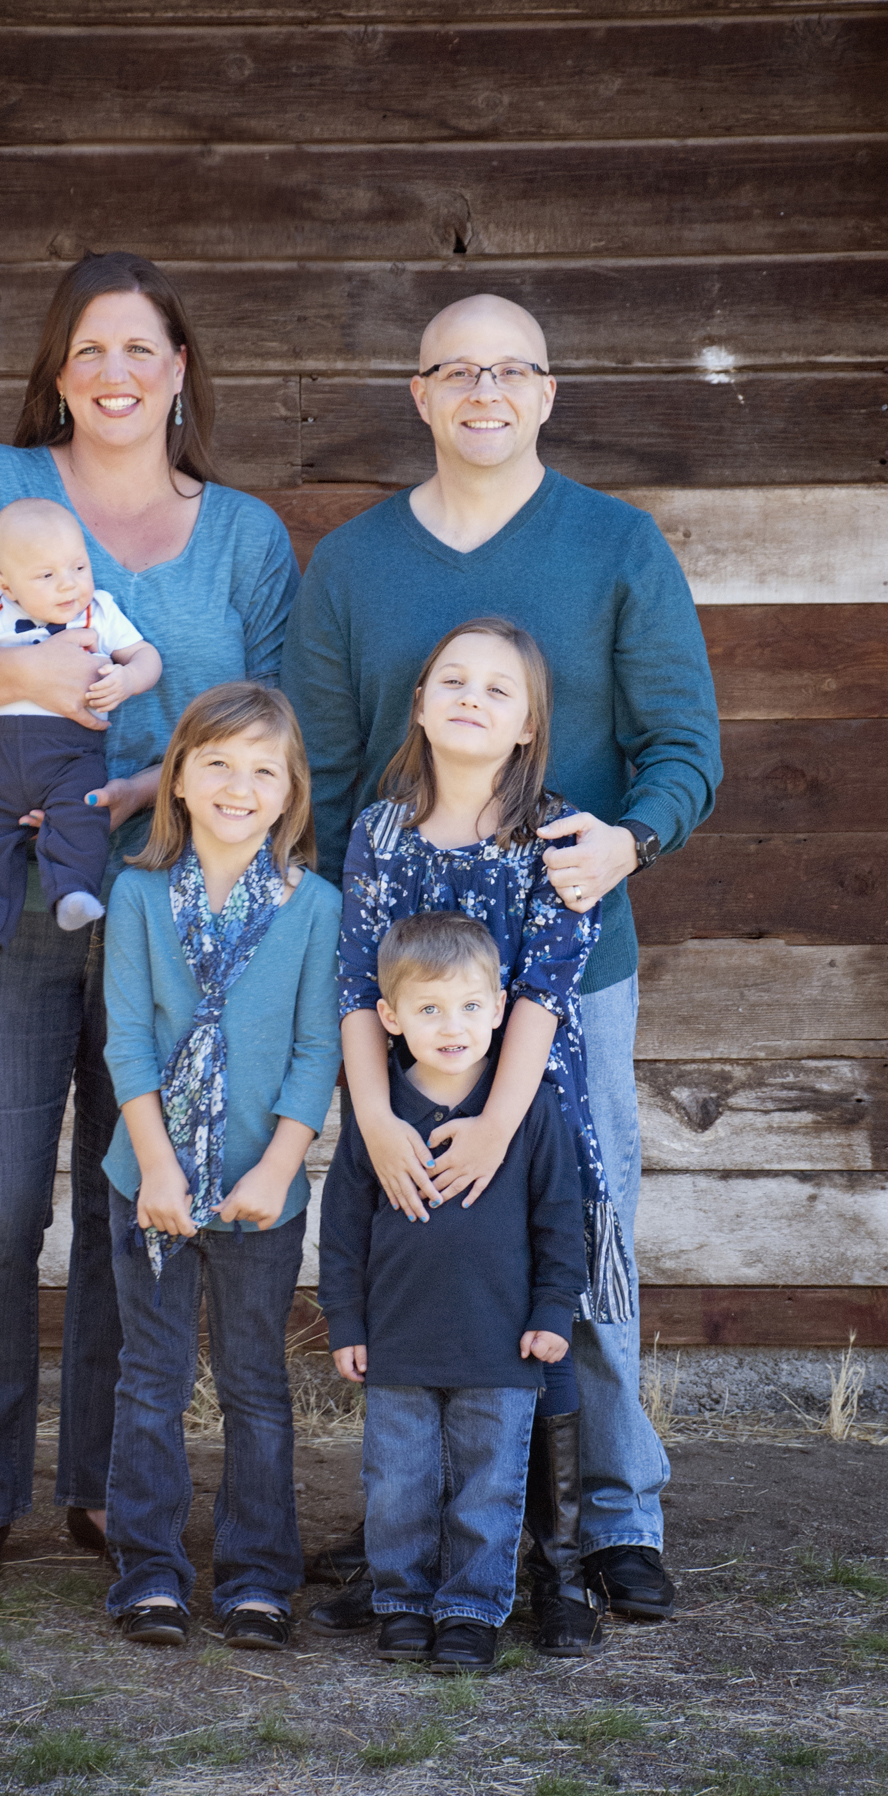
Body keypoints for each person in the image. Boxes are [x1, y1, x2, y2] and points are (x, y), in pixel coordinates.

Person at [283, 293, 722, 1623]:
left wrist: (631, 842)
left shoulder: (616, 545)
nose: (485, 390)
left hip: (564, 974)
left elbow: (683, 745)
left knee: (577, 1231)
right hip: (405, 989)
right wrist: (349, 992)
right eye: (457, 370)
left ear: (547, 391)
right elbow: (324, 775)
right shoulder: (353, 566)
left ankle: (615, 1518)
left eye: (511, 369)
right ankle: (422, 1517)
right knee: (419, 1230)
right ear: (420, 393)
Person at [0, 252, 299, 1589]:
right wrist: (37, 671)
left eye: (140, 349)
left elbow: (272, 726)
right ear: (57, 374)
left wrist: (151, 785)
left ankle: (117, 1488)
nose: (115, 373)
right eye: (89, 350)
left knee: (135, 1209)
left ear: (180, 370)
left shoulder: (245, 538)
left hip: (174, 908)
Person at [320, 618, 611, 1657]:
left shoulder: (557, 833)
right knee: (427, 1313)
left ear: (530, 722)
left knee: (533, 1310)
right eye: (453, 680)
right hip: (407, 1111)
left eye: (499, 689)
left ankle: (556, 1570)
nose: (473, 698)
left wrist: (498, 1122)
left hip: (525, 1108)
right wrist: (374, 1119)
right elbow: (357, 984)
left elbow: (545, 986)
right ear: (420, 703)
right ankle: (407, 1568)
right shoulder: (381, 832)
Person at [100, 684, 341, 1649]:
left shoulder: (315, 907)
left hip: (259, 1189)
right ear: (179, 781)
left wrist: (280, 1168)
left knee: (254, 1384)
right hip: (148, 1181)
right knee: (151, 1381)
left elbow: (317, 1051)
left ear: (290, 794)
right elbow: (125, 1041)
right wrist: (157, 1168)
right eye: (218, 765)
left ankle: (256, 1578)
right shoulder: (137, 894)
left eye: (263, 771)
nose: (240, 786)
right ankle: (149, 1574)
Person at [320, 912, 591, 1671]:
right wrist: (346, 1322)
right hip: (399, 1341)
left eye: (471, 1005)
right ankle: (403, 1604)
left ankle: (472, 1610)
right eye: (430, 1008)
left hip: (500, 1344)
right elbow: (342, 1230)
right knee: (397, 1486)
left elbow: (560, 1220)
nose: (452, 1026)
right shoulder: (378, 1118)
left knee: (487, 1489)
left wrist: (552, 1312)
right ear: (391, 1017)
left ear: (500, 1008)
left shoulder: (528, 1111)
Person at [0, 497, 162, 962]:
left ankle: (73, 893)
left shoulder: (98, 612)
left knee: (82, 816)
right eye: (47, 575)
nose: (69, 583)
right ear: (5, 585)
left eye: (79, 566)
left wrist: (129, 679)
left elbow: (146, 655)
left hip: (72, 756)